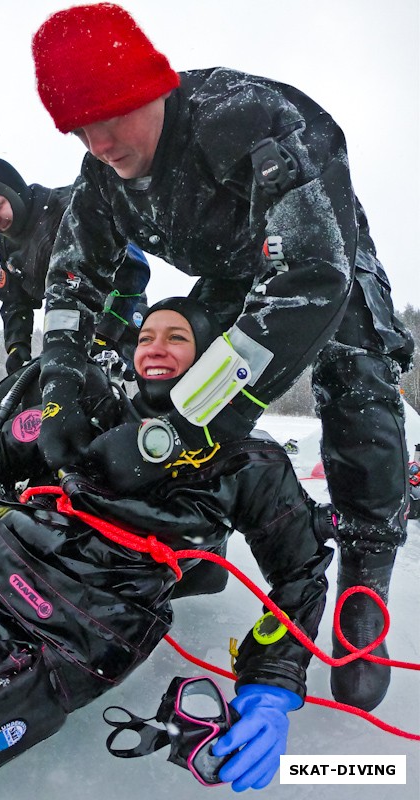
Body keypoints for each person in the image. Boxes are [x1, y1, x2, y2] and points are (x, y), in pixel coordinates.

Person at [30, 2, 415, 712]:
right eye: (80, 128)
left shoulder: (252, 120)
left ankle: (365, 564)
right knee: (175, 361)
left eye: (111, 115)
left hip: (324, 261)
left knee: (354, 373)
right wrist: (58, 386)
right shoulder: (102, 176)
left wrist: (193, 422)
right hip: (230, 279)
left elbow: (309, 277)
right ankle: (189, 529)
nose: (100, 140)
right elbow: (71, 281)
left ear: (153, 86)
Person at [0, 297, 335, 791]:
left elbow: (302, 573)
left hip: (59, 620)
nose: (155, 347)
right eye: (147, 337)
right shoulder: (92, 409)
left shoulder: (247, 459)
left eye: (176, 337)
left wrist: (270, 684)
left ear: (210, 356)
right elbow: (4, 454)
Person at [0, 157, 150, 375]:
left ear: (13, 193)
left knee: (137, 387)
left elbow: (134, 268)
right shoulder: (6, 244)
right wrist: (17, 346)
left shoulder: (72, 206)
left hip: (121, 314)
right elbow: (13, 299)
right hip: (69, 327)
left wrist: (107, 333)